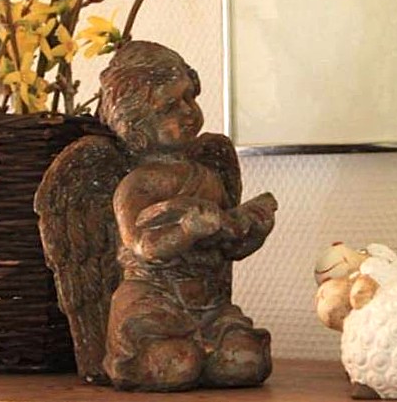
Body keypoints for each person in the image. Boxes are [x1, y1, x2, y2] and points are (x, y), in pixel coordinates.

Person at [99, 41, 277, 391]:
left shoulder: (208, 175)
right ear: (136, 122)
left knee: (246, 361)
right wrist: (186, 229)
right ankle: (152, 359)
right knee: (176, 364)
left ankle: (207, 349)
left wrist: (253, 227)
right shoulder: (136, 185)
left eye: (189, 98)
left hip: (208, 302)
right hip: (153, 301)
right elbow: (142, 246)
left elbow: (227, 246)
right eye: (169, 106)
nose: (187, 111)